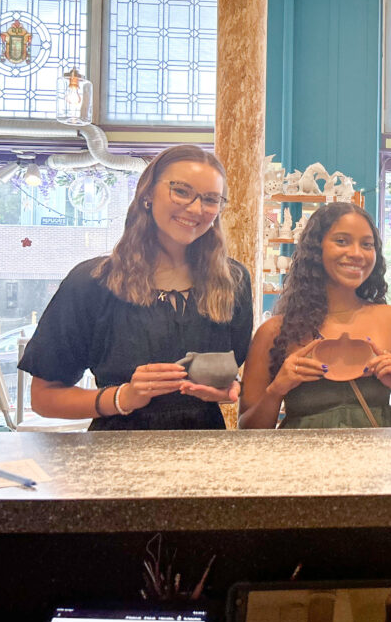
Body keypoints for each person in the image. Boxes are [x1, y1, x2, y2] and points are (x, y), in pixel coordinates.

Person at [20, 146, 251, 430]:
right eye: (181, 191)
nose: (195, 208)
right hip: (117, 456)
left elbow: (230, 379)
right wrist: (123, 397)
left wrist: (227, 390)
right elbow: (44, 398)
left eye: (210, 199)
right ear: (147, 194)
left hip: (204, 454)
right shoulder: (92, 282)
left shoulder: (234, 281)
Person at [240, 203, 391, 429]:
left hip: (377, 460)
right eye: (342, 241)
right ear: (316, 249)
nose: (356, 253)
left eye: (367, 245)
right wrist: (277, 390)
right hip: (302, 462)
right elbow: (248, 429)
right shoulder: (273, 331)